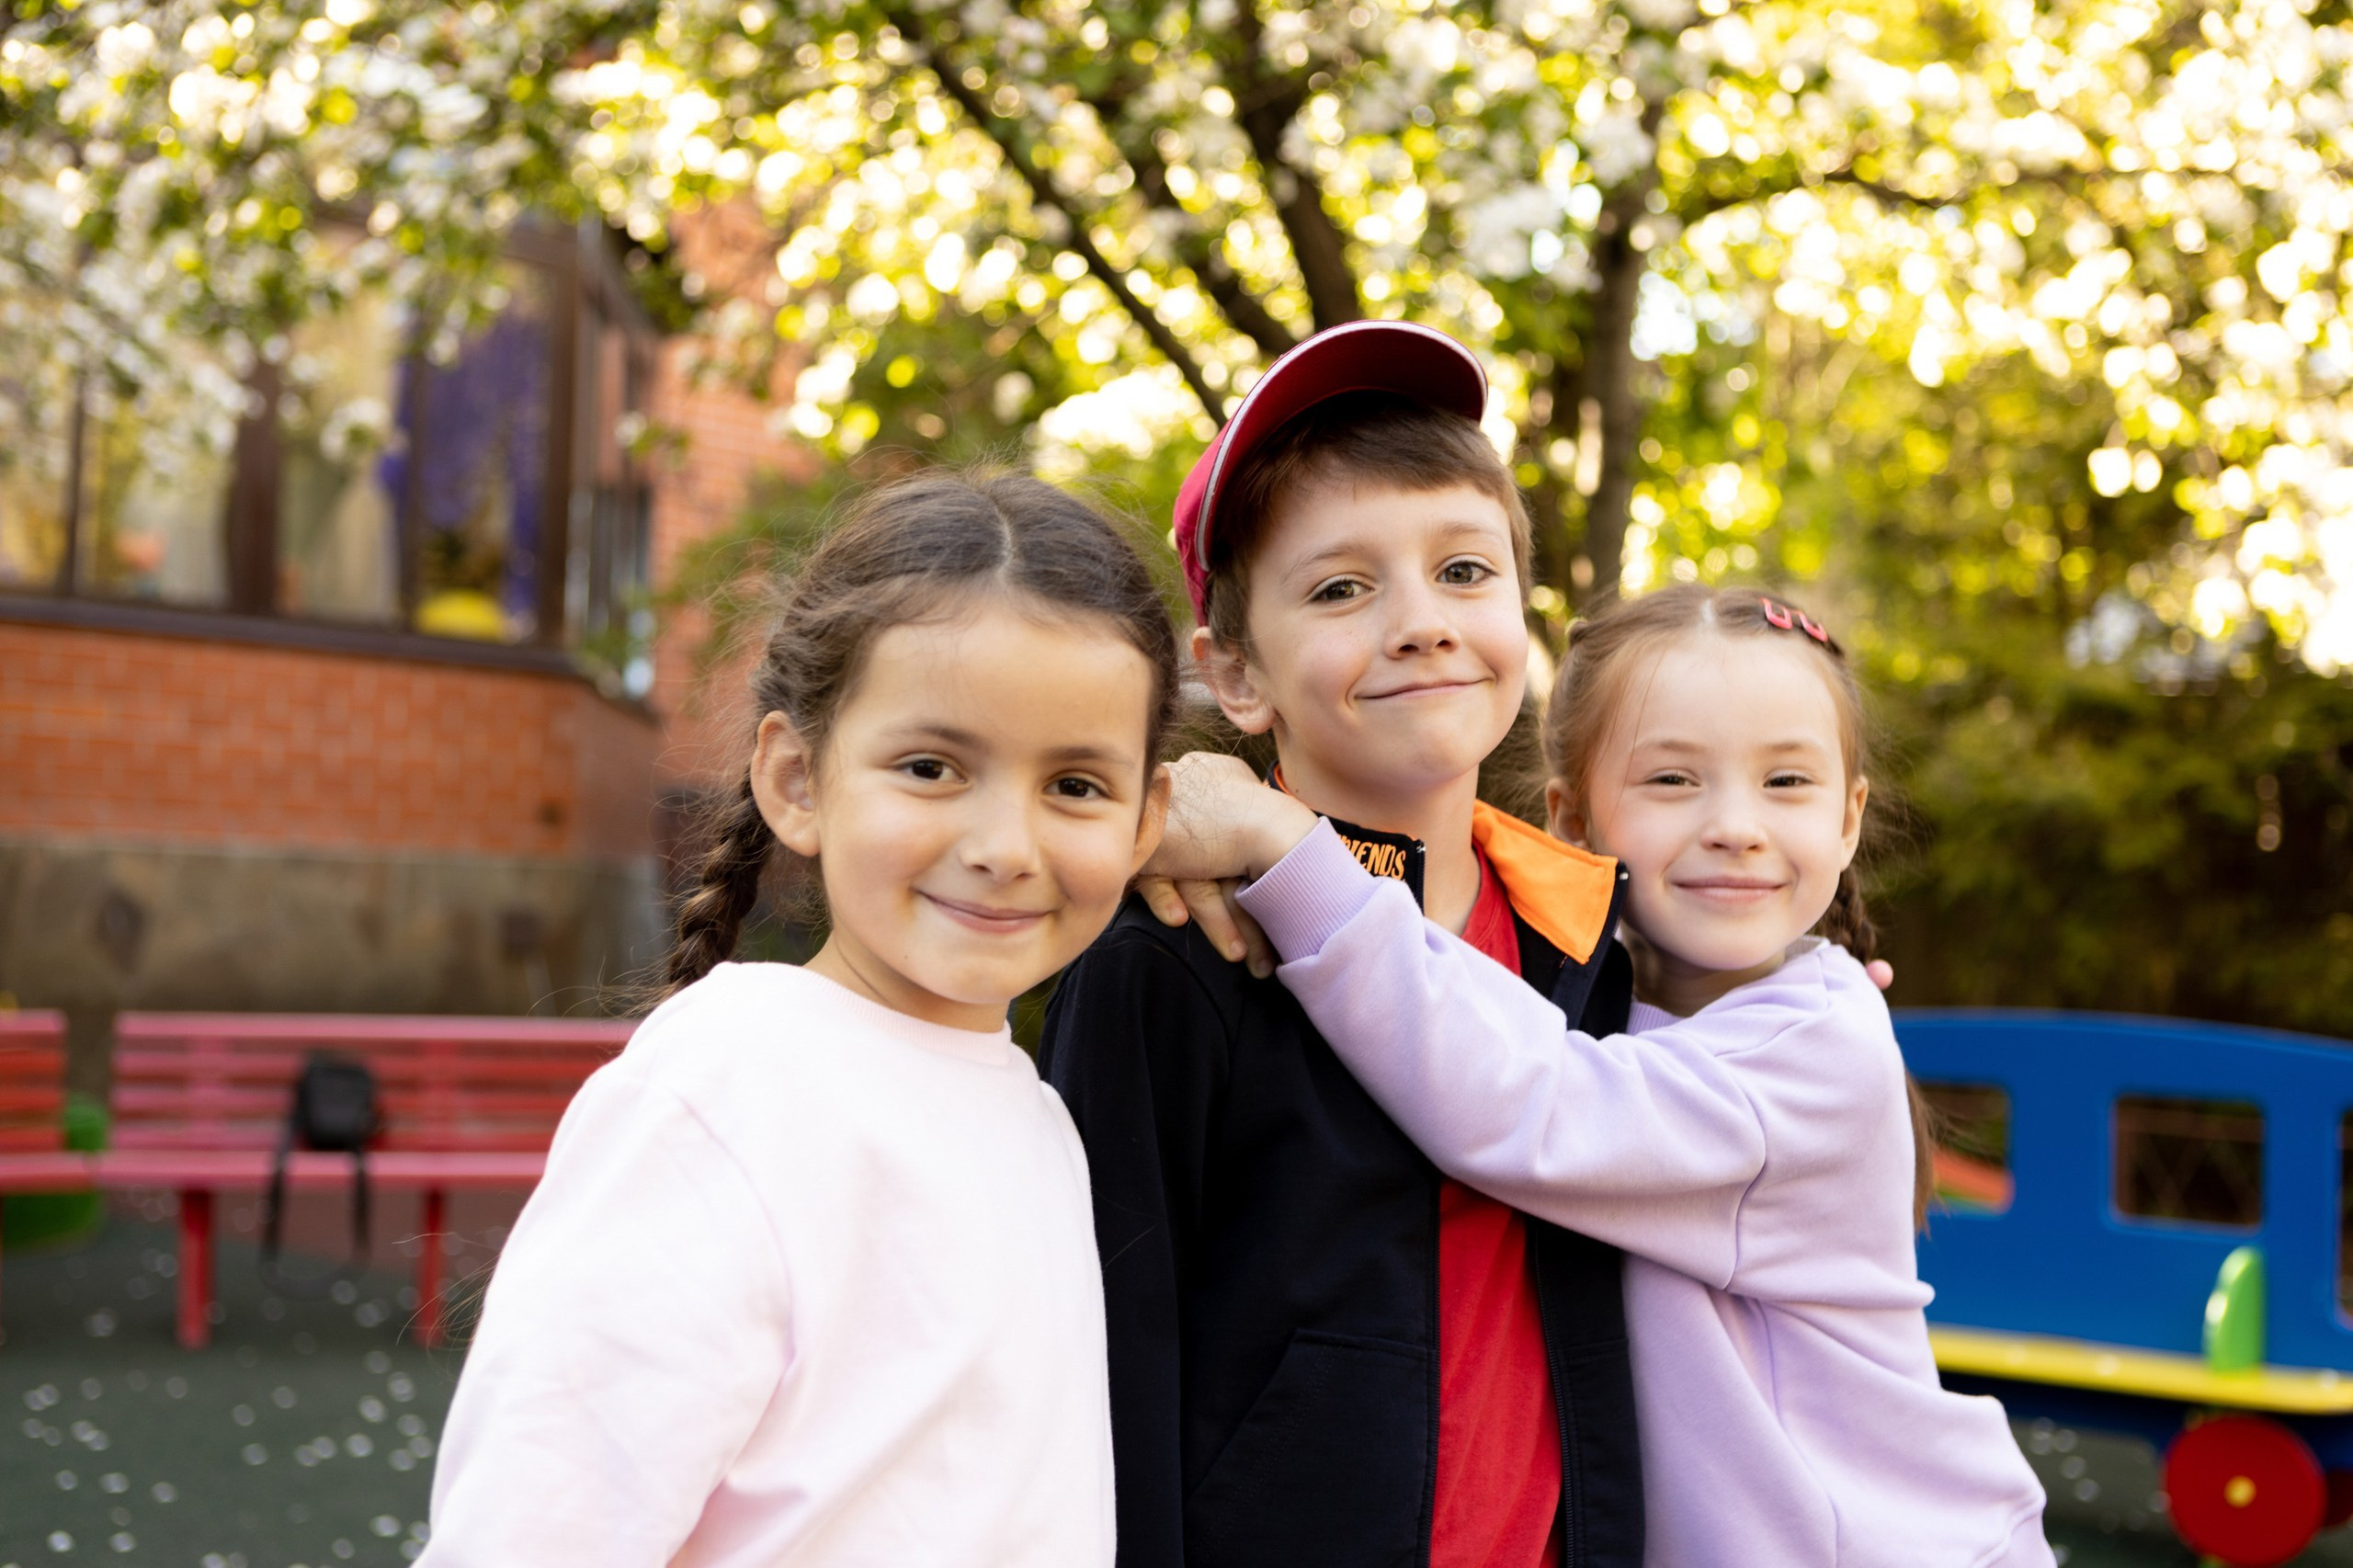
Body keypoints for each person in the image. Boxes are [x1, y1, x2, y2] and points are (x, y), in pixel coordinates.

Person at [1149, 585, 2056, 1566]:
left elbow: (1529, 1100)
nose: (1736, 825)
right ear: (1572, 820)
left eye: (1786, 782)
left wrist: (1287, 850)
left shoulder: (1818, 1046)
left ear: (1849, 816)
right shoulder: (1604, 997)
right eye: (1672, 780)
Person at [421, 470, 1180, 1568]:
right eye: (931, 766)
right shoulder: (726, 1094)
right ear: (796, 778)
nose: (1006, 843)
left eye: (1075, 785)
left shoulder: (1035, 1114)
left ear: (1147, 818)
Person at [1039, 319, 1646, 1568]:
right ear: (1238, 676)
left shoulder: (1590, 940)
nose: (1421, 622)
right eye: (1340, 587)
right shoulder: (1170, 951)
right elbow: (1103, 1363)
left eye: (1466, 571)